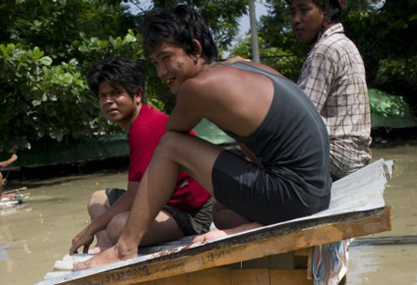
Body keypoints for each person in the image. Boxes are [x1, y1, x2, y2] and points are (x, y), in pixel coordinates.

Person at [74, 5, 331, 271]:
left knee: (170, 145)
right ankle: (259, 223)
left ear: (195, 50)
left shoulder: (197, 89)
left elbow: (172, 133)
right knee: (222, 213)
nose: (162, 72)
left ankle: (125, 248)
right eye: (155, 63)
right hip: (317, 192)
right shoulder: (242, 66)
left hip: (294, 195)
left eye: (166, 58)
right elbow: (254, 141)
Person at [69, 57, 213, 254]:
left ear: (137, 95)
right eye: (103, 96)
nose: (108, 101)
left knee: (118, 226)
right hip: (162, 203)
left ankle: (107, 242)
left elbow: (134, 195)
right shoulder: (140, 122)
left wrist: (88, 230)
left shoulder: (144, 128)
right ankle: (103, 246)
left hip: (190, 213)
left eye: (116, 93)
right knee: (97, 198)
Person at [290, 0, 371, 180]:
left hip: (335, 154)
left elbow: (299, 119)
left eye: (304, 10)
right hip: (354, 155)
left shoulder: (324, 49)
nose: (296, 19)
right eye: (293, 12)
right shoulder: (345, 44)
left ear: (328, 11)